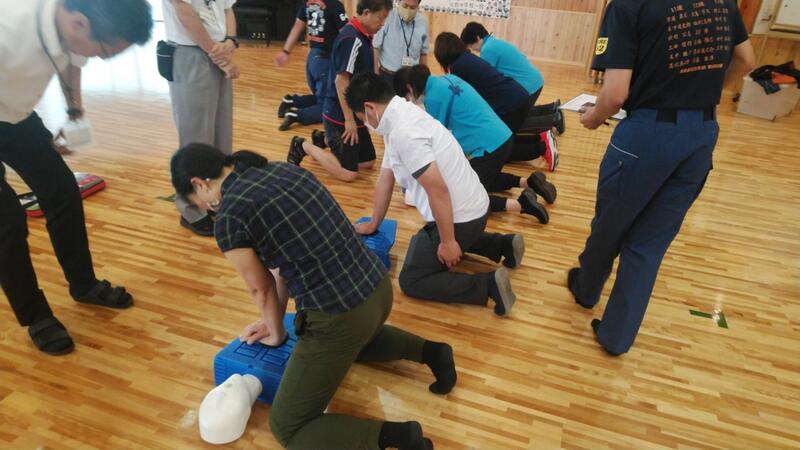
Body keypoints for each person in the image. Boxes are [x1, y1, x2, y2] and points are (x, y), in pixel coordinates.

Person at [170, 144, 456, 450]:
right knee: (351, 344)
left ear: (199, 184)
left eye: (196, 202)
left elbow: (261, 287)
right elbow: (279, 271)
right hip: (377, 288)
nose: (204, 208)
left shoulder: (230, 218)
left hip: (341, 316)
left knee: (288, 427)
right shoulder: (281, 169)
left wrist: (276, 333)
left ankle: (402, 438)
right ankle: (433, 353)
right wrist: (273, 322)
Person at [568, 0, 755, 355]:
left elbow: (616, 93)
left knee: (610, 224)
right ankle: (616, 338)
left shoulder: (627, 6)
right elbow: (747, 60)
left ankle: (586, 291)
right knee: (649, 243)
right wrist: (703, 94)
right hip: (701, 134)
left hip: (648, 133)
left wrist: (594, 117)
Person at [0, 0, 152, 356]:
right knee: (6, 220)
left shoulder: (72, 23)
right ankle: (36, 316)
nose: (100, 59)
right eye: (105, 52)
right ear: (80, 24)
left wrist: (74, 111)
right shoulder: (8, 29)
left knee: (62, 190)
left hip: (16, 116)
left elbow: (73, 59)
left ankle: (83, 284)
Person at [346, 73, 522, 316]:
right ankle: (503, 245)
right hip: (476, 208)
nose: (365, 123)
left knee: (411, 279)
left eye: (360, 118)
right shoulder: (401, 114)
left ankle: (488, 285)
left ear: (369, 108)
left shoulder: (404, 132)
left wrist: (448, 242)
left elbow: (437, 189)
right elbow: (386, 178)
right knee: (439, 236)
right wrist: (374, 223)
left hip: (464, 217)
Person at [394, 64, 556, 224]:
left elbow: (437, 138)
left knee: (465, 197)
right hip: (502, 136)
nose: (410, 101)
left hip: (488, 147)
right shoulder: (448, 79)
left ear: (410, 87)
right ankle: (529, 183)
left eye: (407, 97)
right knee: (476, 175)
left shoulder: (433, 99)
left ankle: (522, 204)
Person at [287, 0, 392, 183]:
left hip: (355, 111)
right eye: (380, 18)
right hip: (339, 113)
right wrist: (349, 120)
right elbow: (341, 81)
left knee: (368, 162)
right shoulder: (351, 39)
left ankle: (324, 139)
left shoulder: (364, 35)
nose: (382, 23)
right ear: (366, 13)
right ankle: (302, 146)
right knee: (348, 174)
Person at [163, 0, 241, 236]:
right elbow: (185, 14)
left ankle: (217, 198)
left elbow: (227, 8)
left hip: (218, 50)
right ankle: (192, 210)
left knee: (221, 135)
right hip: (191, 53)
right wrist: (220, 57)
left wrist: (230, 41)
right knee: (195, 139)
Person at [434, 32, 559, 172]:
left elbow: (461, 99)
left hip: (510, 103)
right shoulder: (467, 58)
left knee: (499, 149)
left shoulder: (458, 67)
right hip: (515, 95)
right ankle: (542, 140)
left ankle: (543, 148)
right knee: (504, 141)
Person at [460, 21, 564, 134]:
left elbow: (484, 78)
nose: (473, 50)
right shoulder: (494, 42)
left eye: (471, 46)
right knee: (517, 111)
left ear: (477, 38)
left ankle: (554, 119)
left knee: (511, 122)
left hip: (527, 86)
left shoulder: (487, 50)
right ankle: (552, 108)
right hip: (534, 81)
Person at [275, 0, 348, 131]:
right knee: (331, 107)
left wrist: (286, 51)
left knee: (323, 97)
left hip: (312, 60)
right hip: (325, 62)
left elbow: (297, 27)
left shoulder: (307, 2)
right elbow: (346, 34)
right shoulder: (335, 5)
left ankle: (292, 101)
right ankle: (296, 115)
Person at [372, 0, 429, 88]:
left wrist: (424, 77)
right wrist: (376, 74)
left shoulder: (423, 22)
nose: (408, 10)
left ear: (418, 6)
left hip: (411, 77)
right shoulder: (388, 17)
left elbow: (423, 53)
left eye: (412, 7)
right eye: (405, 6)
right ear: (398, 2)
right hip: (388, 75)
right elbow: (375, 46)